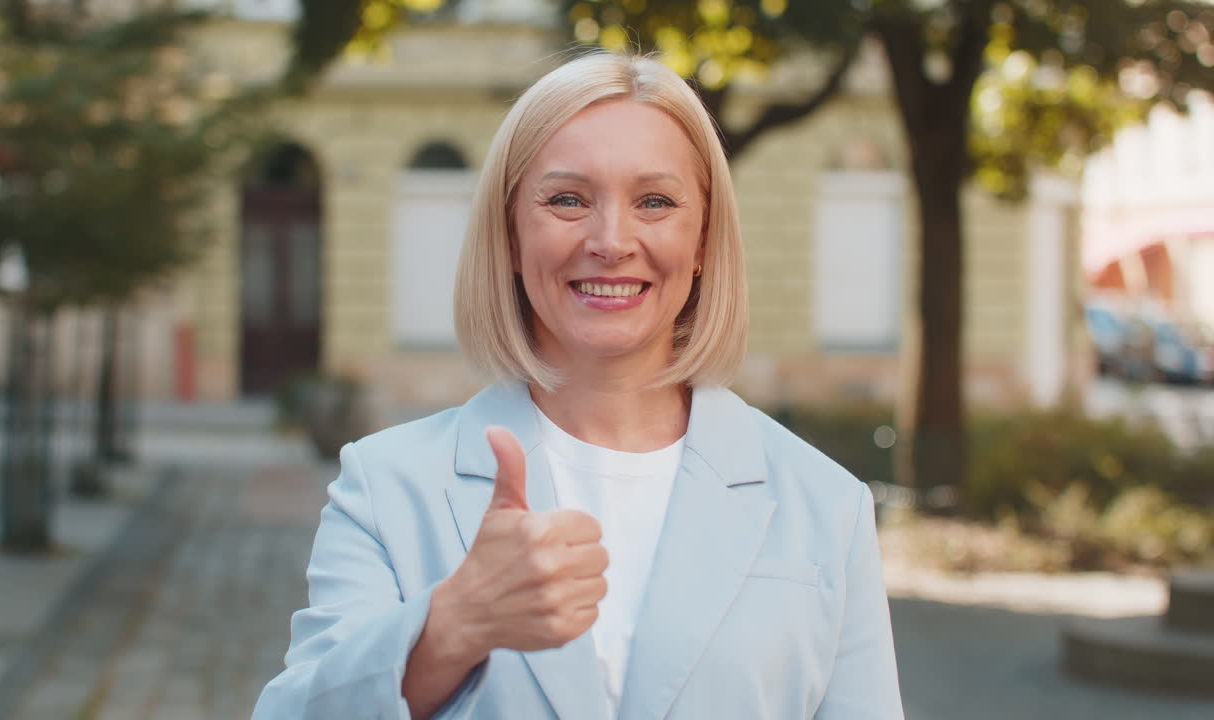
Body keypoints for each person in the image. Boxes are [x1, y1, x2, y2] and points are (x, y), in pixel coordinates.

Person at [252, 52, 903, 720]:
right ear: (509, 233)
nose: (611, 240)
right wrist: (452, 627)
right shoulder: (387, 486)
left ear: (705, 236)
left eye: (655, 201)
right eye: (567, 199)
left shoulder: (826, 507)